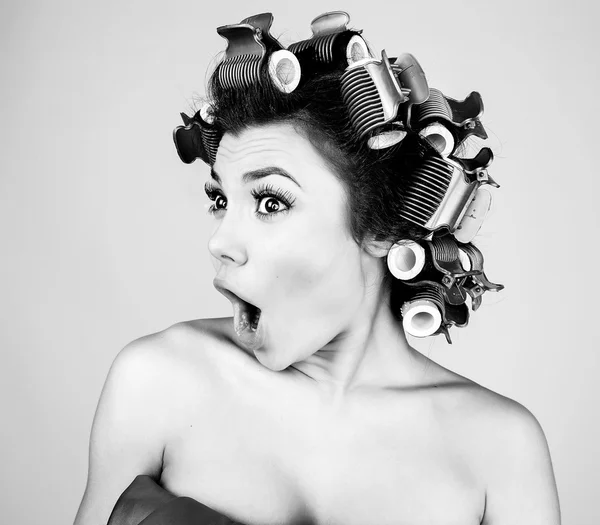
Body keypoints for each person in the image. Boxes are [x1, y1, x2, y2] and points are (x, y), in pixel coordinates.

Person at [74, 11, 561, 525]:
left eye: (270, 202)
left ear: (381, 227)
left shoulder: (501, 451)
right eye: (220, 199)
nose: (220, 242)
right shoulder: (156, 383)